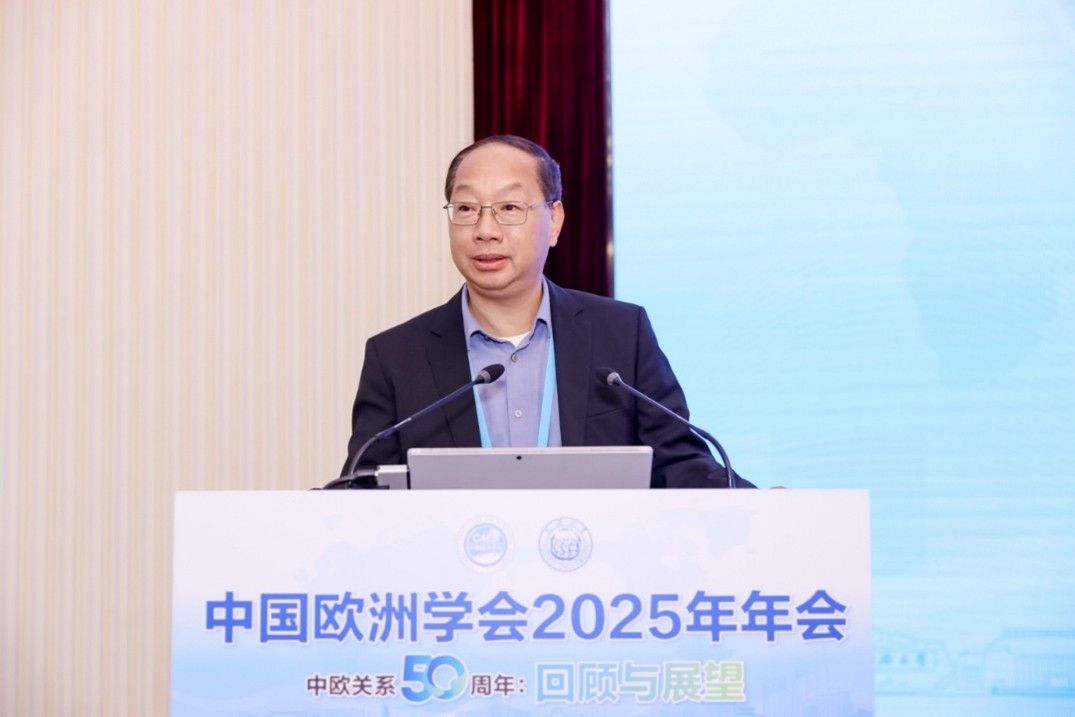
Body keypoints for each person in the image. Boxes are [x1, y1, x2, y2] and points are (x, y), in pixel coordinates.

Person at [342, 134, 750, 488]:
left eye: (509, 208)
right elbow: (364, 489)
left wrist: (764, 507)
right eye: (466, 209)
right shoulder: (397, 357)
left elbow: (681, 464)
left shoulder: (623, 334)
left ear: (554, 221)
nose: (485, 230)